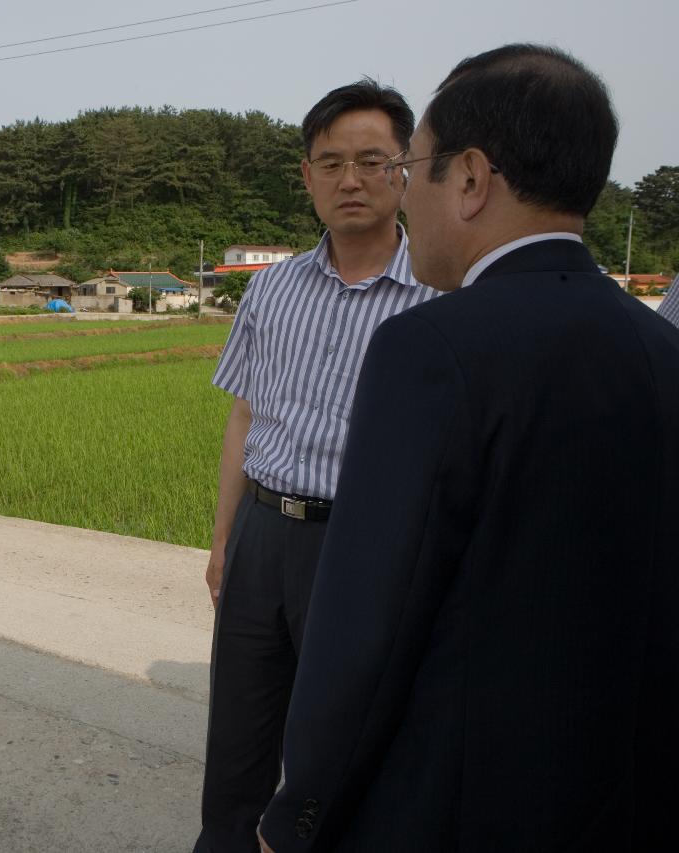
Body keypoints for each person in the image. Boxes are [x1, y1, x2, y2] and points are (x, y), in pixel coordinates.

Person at [258, 44, 679, 853]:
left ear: (474, 178)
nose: (402, 193)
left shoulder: (432, 348)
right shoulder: (658, 350)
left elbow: (365, 627)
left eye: (412, 166)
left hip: (456, 808)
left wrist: (298, 810)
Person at [195, 80, 436, 853]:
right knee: (239, 725)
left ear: (406, 169)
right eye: (329, 163)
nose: (350, 180)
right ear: (306, 177)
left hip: (365, 544)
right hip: (264, 530)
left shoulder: (440, 298)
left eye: (372, 160)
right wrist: (224, 536)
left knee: (342, 731)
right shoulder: (269, 290)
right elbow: (245, 414)